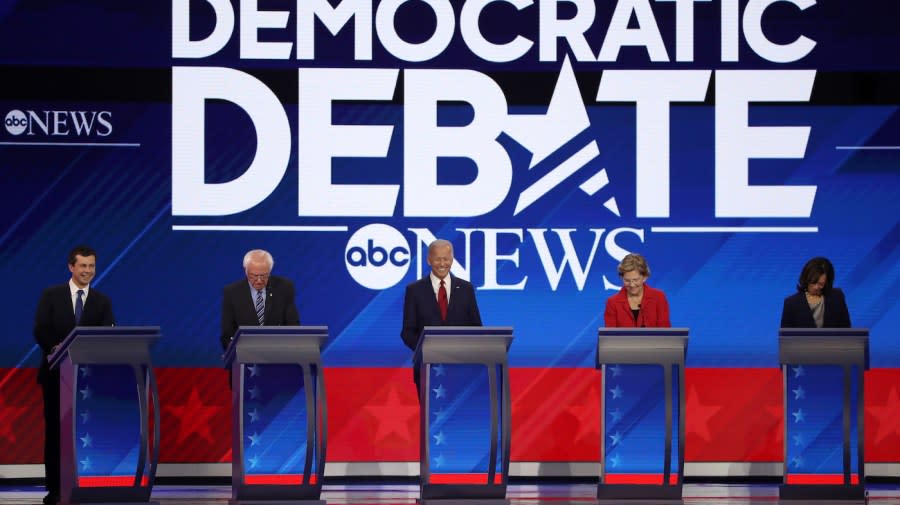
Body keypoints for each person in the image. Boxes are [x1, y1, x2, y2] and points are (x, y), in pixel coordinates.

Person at [33, 246, 115, 505]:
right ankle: (55, 489)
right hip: (56, 376)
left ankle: (88, 485)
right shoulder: (51, 295)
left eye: (91, 266)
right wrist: (55, 348)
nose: (87, 271)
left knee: (90, 433)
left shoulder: (102, 301)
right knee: (57, 433)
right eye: (83, 266)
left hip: (90, 381)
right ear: (71, 267)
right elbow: (40, 329)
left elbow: (108, 334)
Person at [401, 239, 482, 387]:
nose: (442, 263)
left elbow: (477, 329)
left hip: (462, 370)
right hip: (428, 370)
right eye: (437, 259)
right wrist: (427, 351)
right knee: (430, 411)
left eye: (446, 259)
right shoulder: (414, 291)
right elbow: (407, 332)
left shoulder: (466, 289)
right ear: (429, 260)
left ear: (452, 259)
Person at [220, 249, 300, 349]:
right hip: (245, 354)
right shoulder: (232, 292)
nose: (259, 281)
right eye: (254, 275)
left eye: (264, 275)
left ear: (270, 271)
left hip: (278, 352)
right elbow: (227, 333)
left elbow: (293, 326)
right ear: (246, 270)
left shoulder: (284, 288)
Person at [780, 256, 851, 328]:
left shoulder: (837, 297)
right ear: (806, 278)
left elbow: (846, 331)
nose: (816, 287)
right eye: (813, 282)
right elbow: (785, 337)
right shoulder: (791, 303)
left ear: (827, 282)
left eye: (821, 284)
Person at [604, 253, 671, 328]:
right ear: (621, 278)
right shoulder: (612, 303)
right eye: (627, 280)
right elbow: (610, 337)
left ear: (645, 277)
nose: (632, 285)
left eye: (635, 280)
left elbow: (665, 334)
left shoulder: (659, 297)